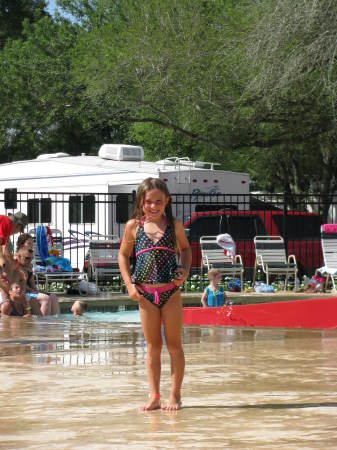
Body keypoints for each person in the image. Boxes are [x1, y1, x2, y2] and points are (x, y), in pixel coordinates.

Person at [118, 177, 191, 412]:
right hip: (145, 295)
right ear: (141, 202)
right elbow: (123, 256)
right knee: (152, 347)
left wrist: (185, 272)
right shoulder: (134, 227)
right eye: (149, 201)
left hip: (170, 293)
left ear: (166, 201)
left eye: (159, 201)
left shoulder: (173, 226)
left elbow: (186, 249)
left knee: (174, 345)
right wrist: (129, 285)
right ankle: (155, 395)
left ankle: (175, 395)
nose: (153, 206)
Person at [16, 247, 60, 316]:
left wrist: (37, 291)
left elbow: (32, 282)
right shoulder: (16, 268)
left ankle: (56, 322)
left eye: (31, 258)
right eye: (27, 258)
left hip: (30, 292)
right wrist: (32, 290)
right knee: (45, 298)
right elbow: (20, 284)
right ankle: (43, 323)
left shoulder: (29, 266)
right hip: (23, 293)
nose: (30, 260)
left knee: (54, 296)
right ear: (19, 257)